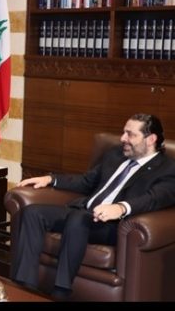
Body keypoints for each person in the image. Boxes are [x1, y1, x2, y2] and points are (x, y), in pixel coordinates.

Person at [11, 113, 175, 300]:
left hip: (113, 226)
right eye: (123, 133)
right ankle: (25, 288)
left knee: (78, 218)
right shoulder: (116, 154)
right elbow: (87, 181)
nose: (123, 139)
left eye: (130, 134)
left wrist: (121, 207)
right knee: (33, 212)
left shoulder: (168, 169)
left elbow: (154, 198)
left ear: (151, 139)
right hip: (84, 212)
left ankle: (61, 291)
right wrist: (50, 179)